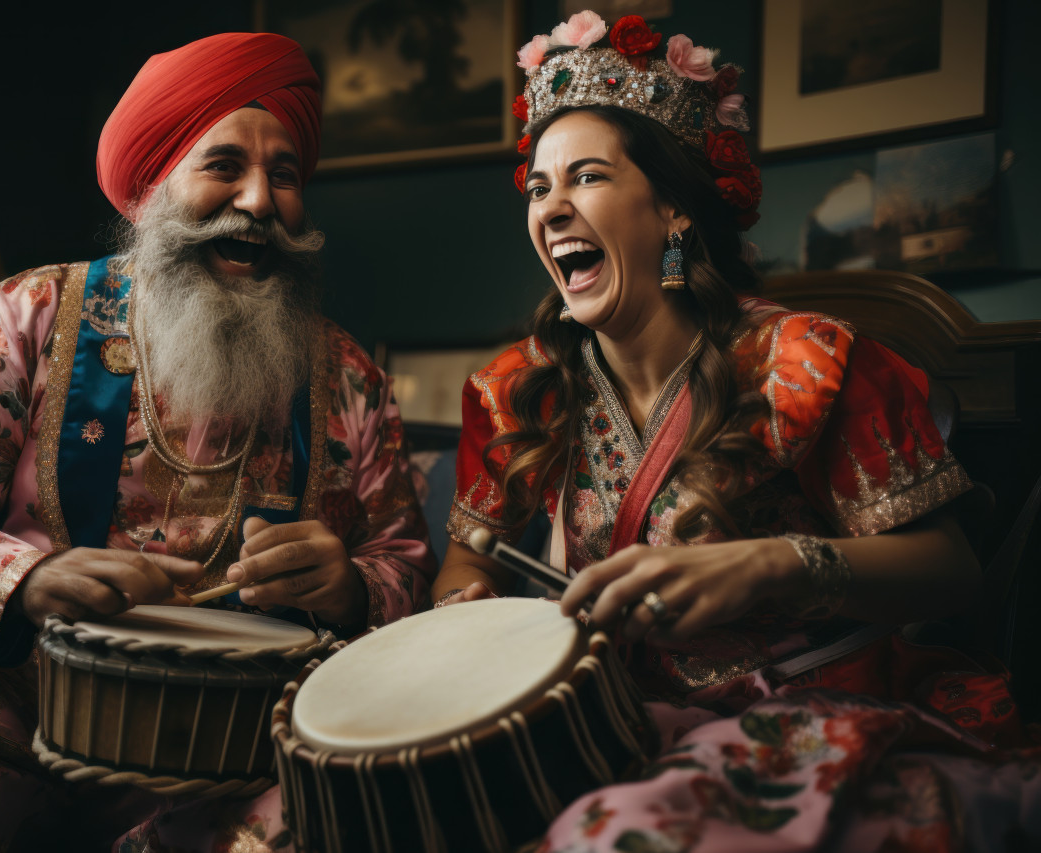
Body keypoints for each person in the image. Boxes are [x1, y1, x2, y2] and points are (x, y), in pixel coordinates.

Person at [0, 32, 434, 851]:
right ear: (152, 186)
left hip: (246, 743)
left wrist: (351, 587)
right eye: (224, 165)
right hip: (18, 703)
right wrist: (29, 575)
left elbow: (402, 557)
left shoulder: (350, 375)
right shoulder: (31, 314)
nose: (259, 201)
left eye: (284, 175)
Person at [435, 11, 1039, 852]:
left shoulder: (803, 363)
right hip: (615, 720)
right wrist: (462, 608)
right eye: (539, 187)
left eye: (587, 178)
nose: (553, 207)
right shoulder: (518, 391)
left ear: (674, 211)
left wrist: (766, 565)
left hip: (813, 710)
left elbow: (951, 573)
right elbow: (468, 558)